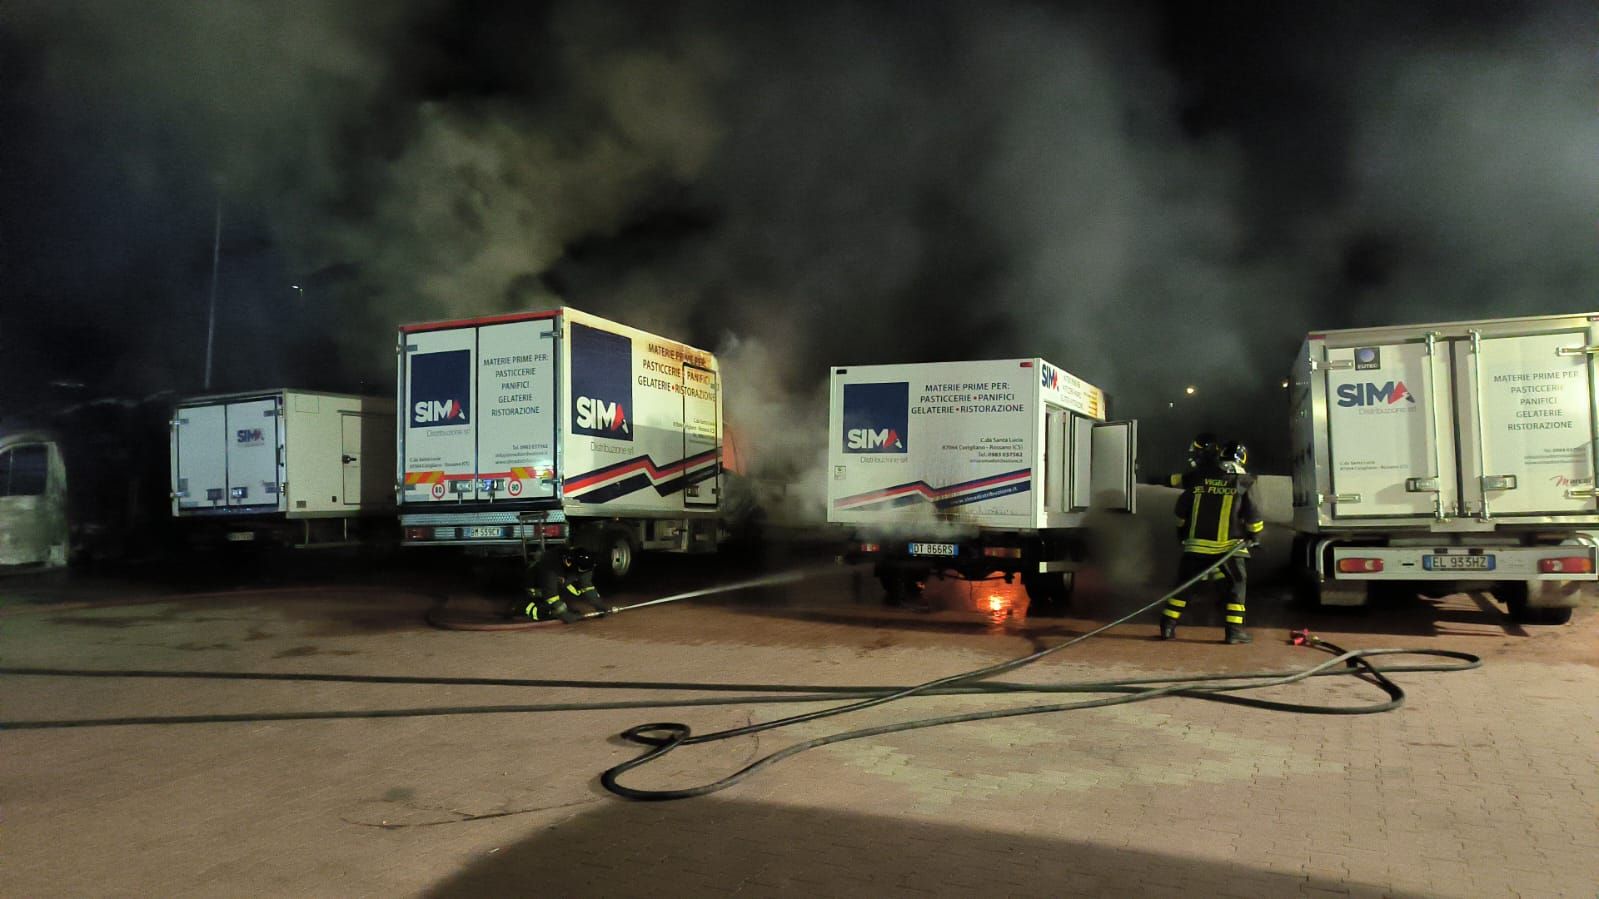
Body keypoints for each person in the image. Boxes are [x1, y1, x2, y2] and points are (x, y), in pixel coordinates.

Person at [1161, 439, 1264, 644]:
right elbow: (1253, 515)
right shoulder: (1245, 482)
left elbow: (1181, 510)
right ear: (1242, 459)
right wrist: (1255, 535)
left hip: (1196, 546)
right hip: (1229, 549)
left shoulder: (1200, 478)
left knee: (1184, 587)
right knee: (1236, 586)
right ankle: (1234, 632)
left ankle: (1167, 627)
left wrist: (1181, 534)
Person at [523, 546, 615, 623]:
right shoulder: (551, 565)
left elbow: (587, 586)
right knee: (545, 610)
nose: (583, 573)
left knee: (564, 600)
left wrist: (599, 605)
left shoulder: (585, 564)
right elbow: (550, 595)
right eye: (581, 571)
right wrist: (564, 614)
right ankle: (525, 608)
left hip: (558, 583)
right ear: (569, 563)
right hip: (537, 585)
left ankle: (557, 610)